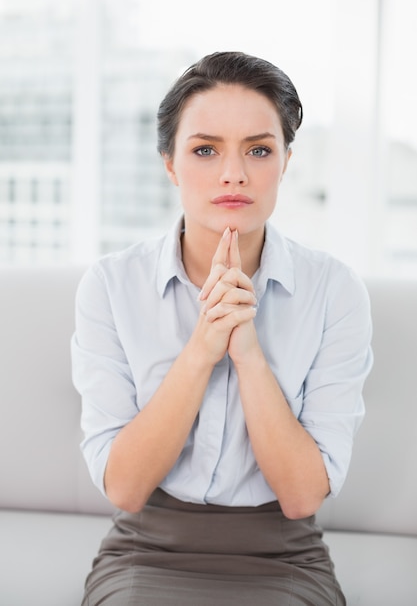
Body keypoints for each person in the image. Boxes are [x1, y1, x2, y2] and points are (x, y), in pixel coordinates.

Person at [71, 51, 373, 605]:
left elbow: (303, 495)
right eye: (205, 150)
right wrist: (203, 348)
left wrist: (248, 353)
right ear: (169, 162)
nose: (233, 173)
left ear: (284, 161)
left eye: (259, 150)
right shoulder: (112, 286)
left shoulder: (335, 291)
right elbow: (125, 487)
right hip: (148, 544)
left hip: (284, 549)